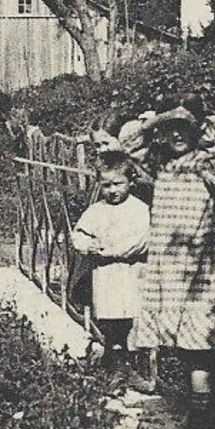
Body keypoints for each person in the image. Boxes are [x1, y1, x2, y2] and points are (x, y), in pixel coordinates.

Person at [129, 99, 215, 429]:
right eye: (170, 128)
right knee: (184, 350)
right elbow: (129, 148)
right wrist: (155, 122)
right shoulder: (163, 163)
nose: (177, 134)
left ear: (198, 129)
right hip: (166, 270)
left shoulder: (206, 161)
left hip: (194, 267)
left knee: (198, 349)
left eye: (185, 127)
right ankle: (196, 419)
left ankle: (201, 427)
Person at [70, 151, 150, 384]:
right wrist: (89, 245)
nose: (112, 190)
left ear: (130, 182)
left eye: (118, 184)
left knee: (134, 320)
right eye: (106, 185)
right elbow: (79, 235)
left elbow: (140, 242)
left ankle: (137, 368)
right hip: (106, 276)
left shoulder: (139, 209)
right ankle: (115, 364)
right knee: (111, 321)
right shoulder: (97, 211)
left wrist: (107, 249)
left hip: (133, 273)